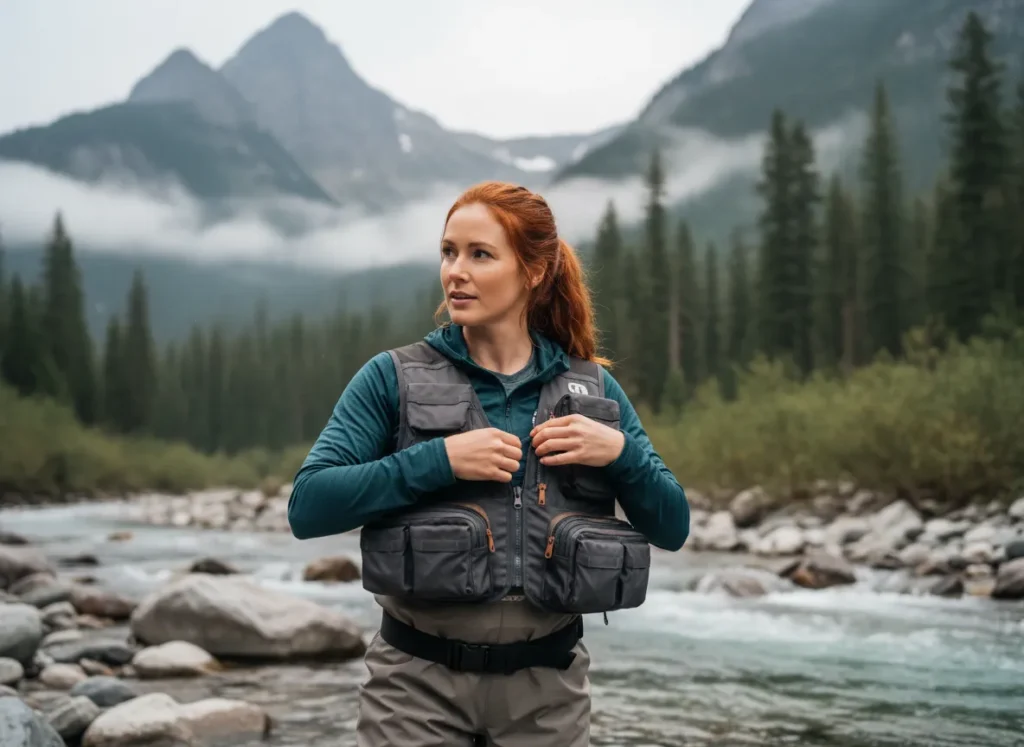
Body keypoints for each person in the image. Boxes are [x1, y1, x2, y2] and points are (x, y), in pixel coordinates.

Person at [287, 181, 690, 747]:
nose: (456, 271)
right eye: (449, 252)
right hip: (413, 690)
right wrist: (438, 459)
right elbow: (308, 506)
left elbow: (673, 526)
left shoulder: (595, 390)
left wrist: (620, 455)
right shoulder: (390, 377)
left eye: (480, 254)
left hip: (547, 695)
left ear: (533, 272)